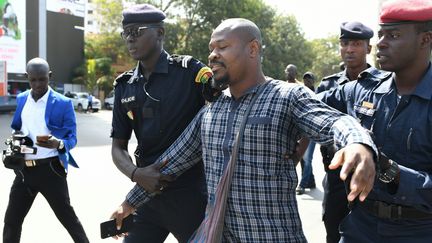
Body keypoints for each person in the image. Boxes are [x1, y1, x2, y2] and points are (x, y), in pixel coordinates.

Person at [111, 18, 378, 242]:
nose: (213, 55)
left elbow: (334, 121)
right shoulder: (211, 111)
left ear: (252, 49)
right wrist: (129, 203)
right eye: (211, 48)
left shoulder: (286, 96)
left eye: (222, 47)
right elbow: (169, 164)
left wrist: (357, 143)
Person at [321, 1, 432, 241]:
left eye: (393, 35)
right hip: (360, 227)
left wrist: (387, 169)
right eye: (380, 34)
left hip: (418, 232)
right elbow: (306, 105)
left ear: (425, 40)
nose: (381, 43)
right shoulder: (361, 90)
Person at [110, 4, 212, 243]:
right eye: (126, 32)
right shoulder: (124, 86)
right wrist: (136, 174)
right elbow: (117, 147)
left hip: (190, 197)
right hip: (147, 197)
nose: (130, 39)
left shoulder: (190, 73)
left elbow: (226, 109)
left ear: (160, 33)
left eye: (137, 31)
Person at [3, 58, 89, 243]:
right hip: (24, 172)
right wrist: (15, 138)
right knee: (11, 221)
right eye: (33, 80)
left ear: (49, 76)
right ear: (27, 78)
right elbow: (18, 126)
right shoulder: (22, 98)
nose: (38, 84)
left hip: (50, 171)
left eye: (42, 79)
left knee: (68, 219)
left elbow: (72, 138)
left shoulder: (63, 103)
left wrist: (58, 144)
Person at [317, 21, 378, 243]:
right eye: (344, 43)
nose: (349, 49)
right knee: (333, 230)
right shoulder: (327, 86)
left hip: (371, 177)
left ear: (368, 49)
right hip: (335, 176)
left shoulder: (383, 83)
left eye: (356, 43)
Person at [296, 71, 317, 195]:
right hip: (301, 131)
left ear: (313, 81)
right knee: (304, 159)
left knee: (307, 159)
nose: (307, 81)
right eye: (305, 79)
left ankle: (302, 185)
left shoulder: (318, 94)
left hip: (312, 132)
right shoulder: (301, 92)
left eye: (309, 79)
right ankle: (311, 181)